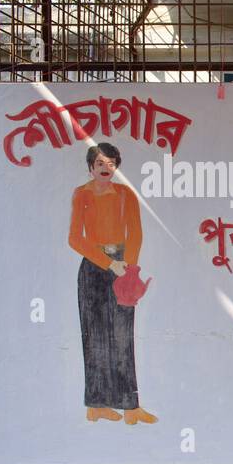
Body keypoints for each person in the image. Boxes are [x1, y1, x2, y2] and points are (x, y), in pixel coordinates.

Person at [68, 142, 158, 424]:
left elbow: (136, 234)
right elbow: (75, 238)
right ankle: (96, 405)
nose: (105, 169)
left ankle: (130, 406)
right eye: (100, 164)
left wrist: (128, 268)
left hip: (123, 266)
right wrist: (109, 264)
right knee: (93, 336)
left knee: (122, 336)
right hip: (93, 268)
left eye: (111, 164)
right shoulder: (81, 194)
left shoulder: (126, 194)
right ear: (90, 167)